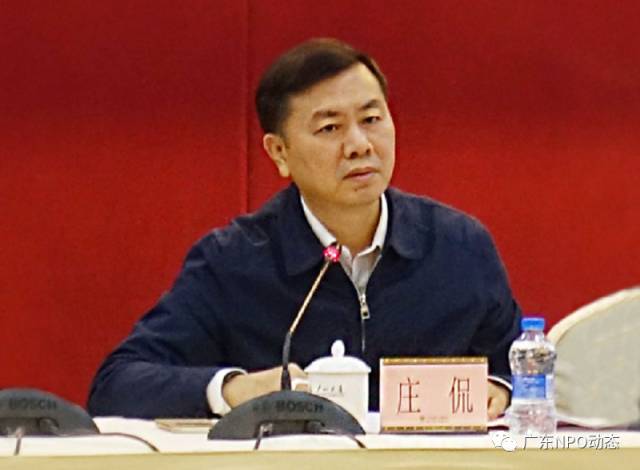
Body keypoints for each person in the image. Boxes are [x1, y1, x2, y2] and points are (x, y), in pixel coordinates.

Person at [88, 38, 521, 420]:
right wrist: (234, 389)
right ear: (279, 152)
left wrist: (500, 388)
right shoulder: (232, 261)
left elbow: (524, 367)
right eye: (330, 128)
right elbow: (117, 385)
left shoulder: (458, 247)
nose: (359, 145)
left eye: (372, 119)